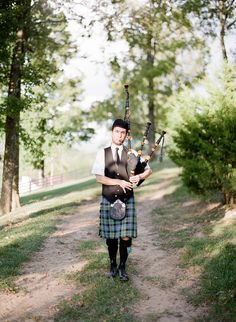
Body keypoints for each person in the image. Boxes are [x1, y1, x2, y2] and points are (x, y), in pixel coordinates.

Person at [92, 119, 152, 281]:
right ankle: (112, 265)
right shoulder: (102, 153)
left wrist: (139, 176)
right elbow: (99, 178)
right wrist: (118, 182)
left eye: (123, 133)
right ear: (112, 132)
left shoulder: (131, 154)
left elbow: (148, 170)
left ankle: (122, 267)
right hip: (109, 199)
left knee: (125, 237)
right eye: (117, 131)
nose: (119, 135)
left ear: (126, 135)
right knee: (111, 238)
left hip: (127, 200)